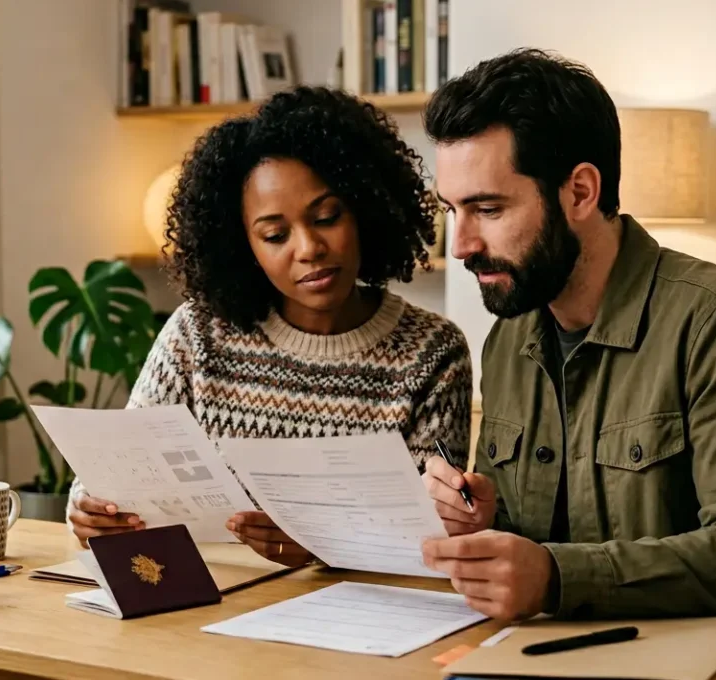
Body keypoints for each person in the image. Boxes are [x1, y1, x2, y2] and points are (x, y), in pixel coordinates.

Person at [418, 48, 716, 621]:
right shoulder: (510, 338)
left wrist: (558, 577)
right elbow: (529, 539)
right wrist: (482, 522)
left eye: (487, 209)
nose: (461, 243)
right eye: (452, 211)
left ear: (581, 192)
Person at [66, 86, 474, 566]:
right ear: (244, 247)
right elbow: (117, 471)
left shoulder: (432, 352)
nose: (308, 248)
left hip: (348, 623)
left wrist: (323, 547)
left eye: (326, 217)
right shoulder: (198, 335)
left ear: (366, 209)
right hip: (200, 607)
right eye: (275, 235)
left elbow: (428, 537)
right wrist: (90, 508)